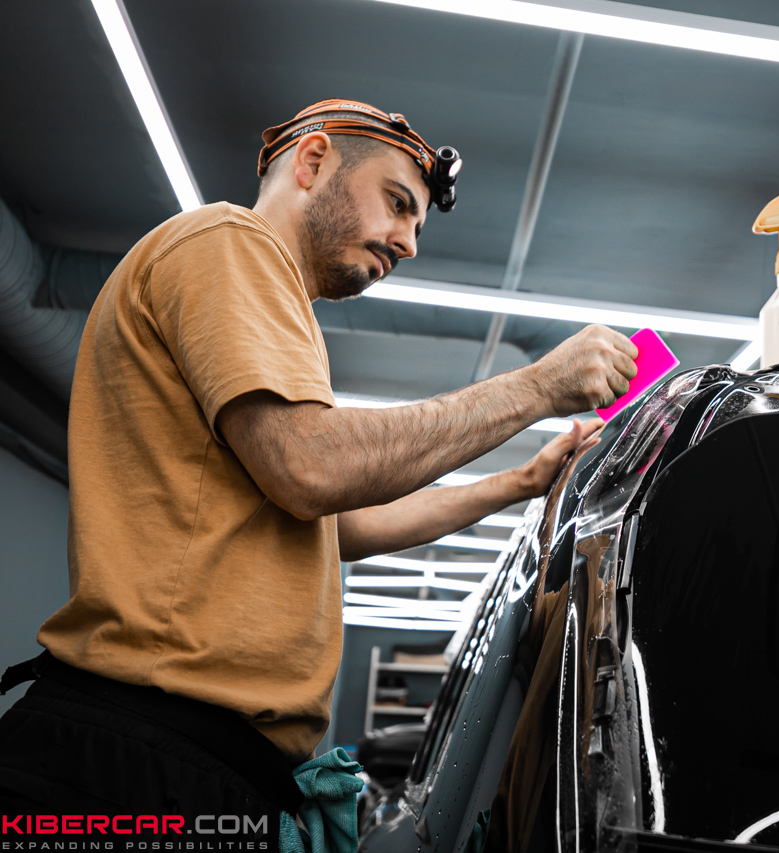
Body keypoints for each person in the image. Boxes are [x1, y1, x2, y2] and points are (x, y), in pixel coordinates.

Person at [0, 100, 638, 836]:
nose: (408, 243)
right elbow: (310, 467)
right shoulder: (227, 242)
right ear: (311, 161)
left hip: (195, 756)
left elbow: (343, 520)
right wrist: (537, 387)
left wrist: (523, 482)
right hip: (140, 758)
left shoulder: (275, 315)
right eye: (397, 203)